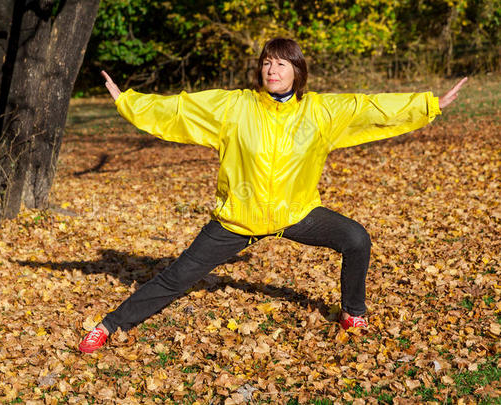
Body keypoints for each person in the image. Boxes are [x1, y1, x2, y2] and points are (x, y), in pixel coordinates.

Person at [78, 38, 467, 353]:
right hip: (238, 217)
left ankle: (353, 313)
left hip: (294, 212)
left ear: (298, 71)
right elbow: (181, 109)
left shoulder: (319, 112)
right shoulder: (236, 106)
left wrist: (428, 105)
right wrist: (128, 102)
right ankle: (110, 325)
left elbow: (370, 108)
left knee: (356, 238)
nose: (272, 70)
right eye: (266, 62)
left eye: (281, 64)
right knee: (177, 277)